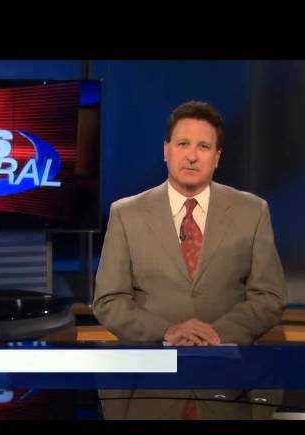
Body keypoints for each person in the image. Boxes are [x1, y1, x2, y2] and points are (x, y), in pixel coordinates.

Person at [93, 100, 288, 346]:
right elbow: (109, 300)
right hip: (154, 361)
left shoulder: (252, 212)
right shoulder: (126, 214)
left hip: (226, 361)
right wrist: (166, 331)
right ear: (166, 150)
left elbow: (269, 296)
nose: (192, 156)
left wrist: (219, 334)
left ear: (217, 157)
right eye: (183, 144)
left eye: (203, 147)